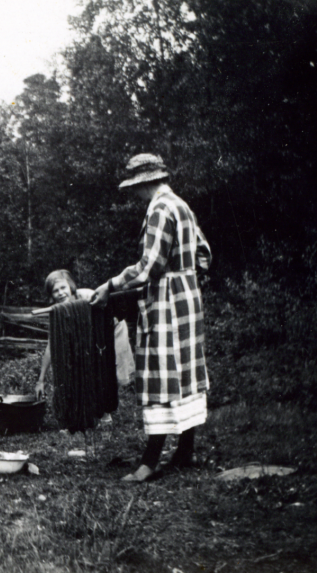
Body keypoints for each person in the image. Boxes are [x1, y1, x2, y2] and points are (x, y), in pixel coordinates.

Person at [90, 154, 212, 482]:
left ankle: (150, 460)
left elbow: (149, 267)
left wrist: (110, 285)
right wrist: (188, 280)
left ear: (144, 183)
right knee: (185, 371)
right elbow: (204, 253)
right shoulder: (182, 204)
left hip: (167, 302)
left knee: (162, 372)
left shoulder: (159, 208)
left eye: (135, 188)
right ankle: (185, 451)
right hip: (188, 298)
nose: (134, 195)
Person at [34, 269, 135, 401]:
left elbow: (107, 316)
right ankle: (94, 404)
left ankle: (106, 407)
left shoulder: (87, 296)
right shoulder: (57, 312)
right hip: (90, 335)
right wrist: (40, 380)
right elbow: (51, 344)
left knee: (109, 368)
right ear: (51, 295)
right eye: (55, 291)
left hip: (112, 329)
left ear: (70, 285)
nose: (60, 293)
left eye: (63, 287)